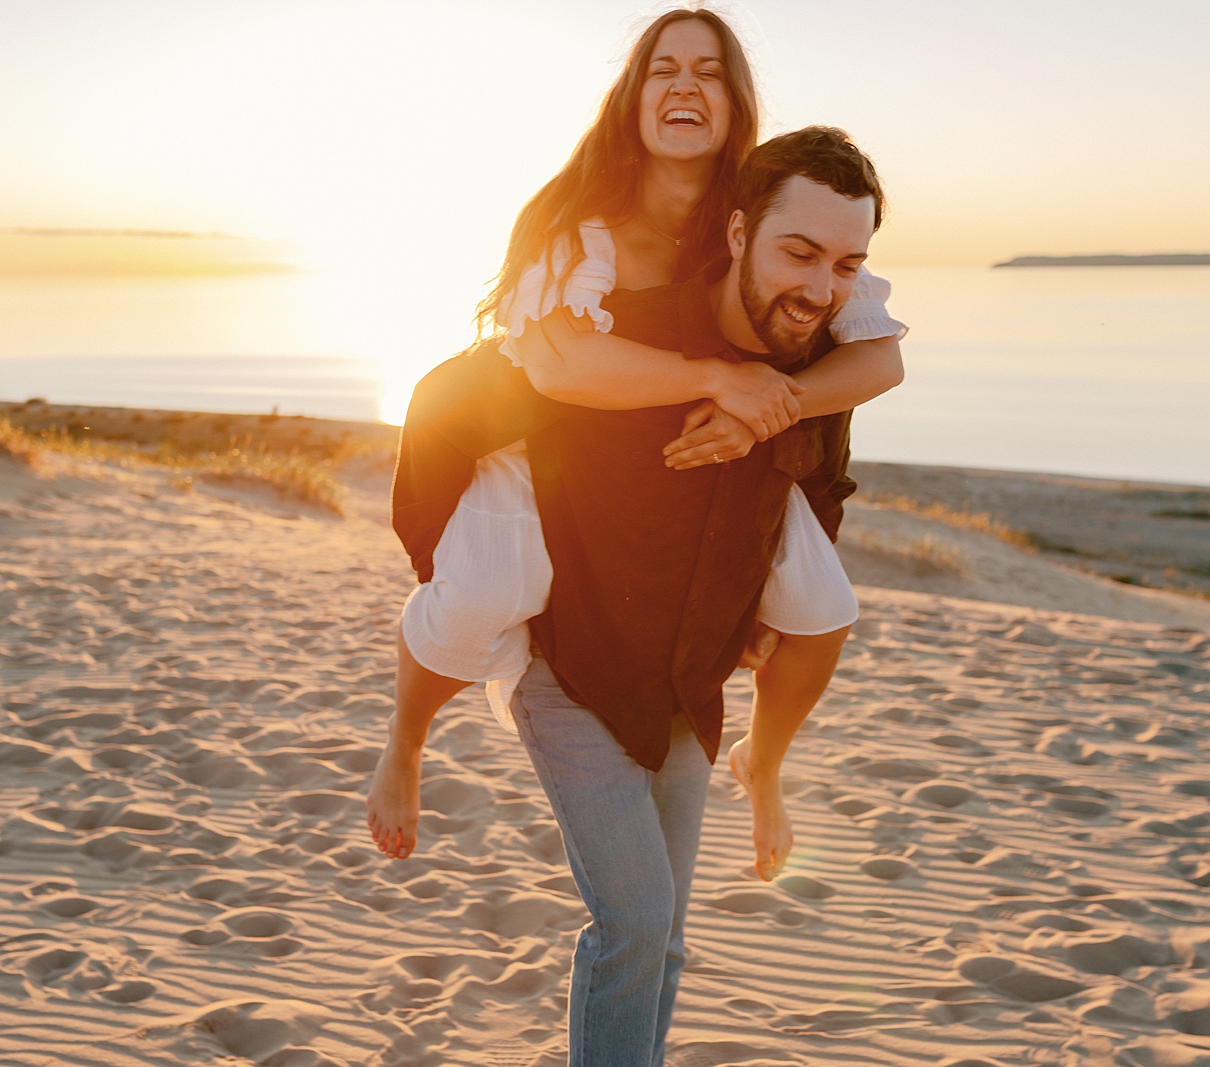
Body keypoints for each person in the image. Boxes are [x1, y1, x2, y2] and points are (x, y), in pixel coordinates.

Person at [367, 9, 905, 881]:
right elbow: (559, 365)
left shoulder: (765, 212)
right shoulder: (582, 222)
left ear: (736, 104)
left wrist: (770, 404)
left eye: (709, 72)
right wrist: (718, 381)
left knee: (818, 609)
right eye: (663, 70)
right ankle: (405, 740)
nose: (685, 86)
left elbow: (880, 353)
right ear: (633, 97)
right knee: (481, 593)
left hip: (701, 450)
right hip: (535, 430)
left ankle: (762, 766)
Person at [501, 125, 887, 1067]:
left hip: (688, 683)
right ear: (739, 229)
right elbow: (489, 393)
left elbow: (823, 483)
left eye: (847, 263)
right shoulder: (631, 326)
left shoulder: (822, 354)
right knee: (633, 920)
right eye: (800, 251)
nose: (821, 286)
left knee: (665, 930)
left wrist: (771, 410)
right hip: (573, 666)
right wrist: (717, 380)